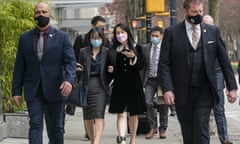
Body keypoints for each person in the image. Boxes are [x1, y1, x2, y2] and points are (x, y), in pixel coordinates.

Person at [158, 0, 238, 144]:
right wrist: (167, 89)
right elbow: (164, 64)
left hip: (205, 90)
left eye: (200, 12)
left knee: (201, 129)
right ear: (186, 12)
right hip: (182, 91)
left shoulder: (213, 31)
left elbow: (224, 61)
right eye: (194, 12)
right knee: (188, 132)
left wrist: (232, 87)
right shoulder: (172, 33)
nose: (198, 15)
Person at [12, 2, 76, 144]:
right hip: (33, 90)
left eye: (44, 12)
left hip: (55, 89)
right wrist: (16, 91)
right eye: (37, 12)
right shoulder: (25, 38)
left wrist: (69, 80)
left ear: (50, 15)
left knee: (56, 128)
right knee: (35, 125)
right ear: (34, 16)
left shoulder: (62, 37)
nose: (41, 15)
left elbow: (70, 63)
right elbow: (19, 67)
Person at [107, 23, 146, 144]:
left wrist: (133, 58)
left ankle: (133, 139)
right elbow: (109, 70)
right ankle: (122, 138)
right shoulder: (113, 50)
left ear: (127, 33)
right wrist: (110, 71)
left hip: (134, 85)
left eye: (122, 32)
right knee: (121, 113)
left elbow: (141, 66)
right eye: (118, 33)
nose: (120, 35)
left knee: (133, 114)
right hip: (119, 86)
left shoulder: (136, 47)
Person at [203, 14, 233, 144]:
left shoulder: (219, 39)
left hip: (217, 75)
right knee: (202, 110)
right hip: (202, 78)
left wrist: (229, 85)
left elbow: (225, 62)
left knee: (219, 109)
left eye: (210, 25)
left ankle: (224, 139)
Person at [78, 27, 110, 144]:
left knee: (99, 113)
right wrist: (78, 70)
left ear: (102, 38)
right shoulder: (83, 51)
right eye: (93, 38)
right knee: (87, 116)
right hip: (86, 85)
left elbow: (111, 69)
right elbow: (79, 69)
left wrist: (111, 70)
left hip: (101, 86)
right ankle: (92, 140)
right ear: (89, 39)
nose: (95, 40)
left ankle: (96, 141)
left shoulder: (107, 52)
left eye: (98, 38)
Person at [141, 26, 169, 139]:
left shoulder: (166, 48)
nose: (154, 38)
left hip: (162, 80)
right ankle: (153, 127)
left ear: (161, 36)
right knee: (148, 102)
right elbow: (143, 66)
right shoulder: (146, 48)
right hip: (150, 80)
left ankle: (163, 128)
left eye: (157, 36)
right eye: (153, 36)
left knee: (163, 105)